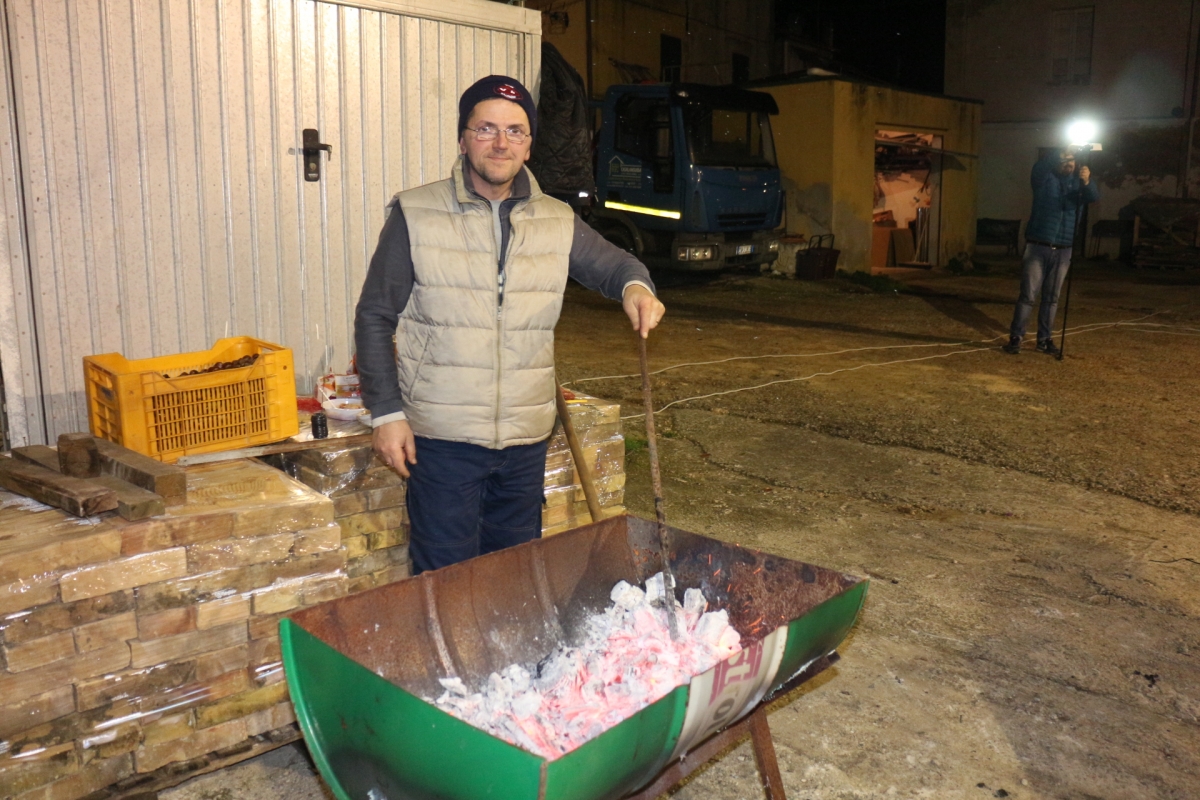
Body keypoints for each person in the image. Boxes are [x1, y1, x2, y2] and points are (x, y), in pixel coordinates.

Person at [354, 75, 665, 574]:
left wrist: (636, 288)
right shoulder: (417, 214)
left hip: (525, 443)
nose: (501, 143)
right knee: (445, 578)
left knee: (514, 576)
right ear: (463, 139)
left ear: (529, 145)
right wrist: (386, 413)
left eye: (515, 131)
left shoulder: (557, 219)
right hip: (443, 439)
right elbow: (374, 316)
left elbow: (617, 266)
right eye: (486, 128)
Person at [1002, 147, 1099, 356]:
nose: (1069, 164)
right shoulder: (1045, 180)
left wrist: (1087, 181)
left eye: (1072, 161)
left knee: (1052, 298)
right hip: (1038, 246)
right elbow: (1039, 168)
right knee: (1028, 295)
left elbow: (1093, 196)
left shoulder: (1078, 185)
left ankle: (1044, 339)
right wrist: (1063, 150)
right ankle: (1016, 337)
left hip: (1064, 249)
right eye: (1066, 161)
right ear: (1058, 162)